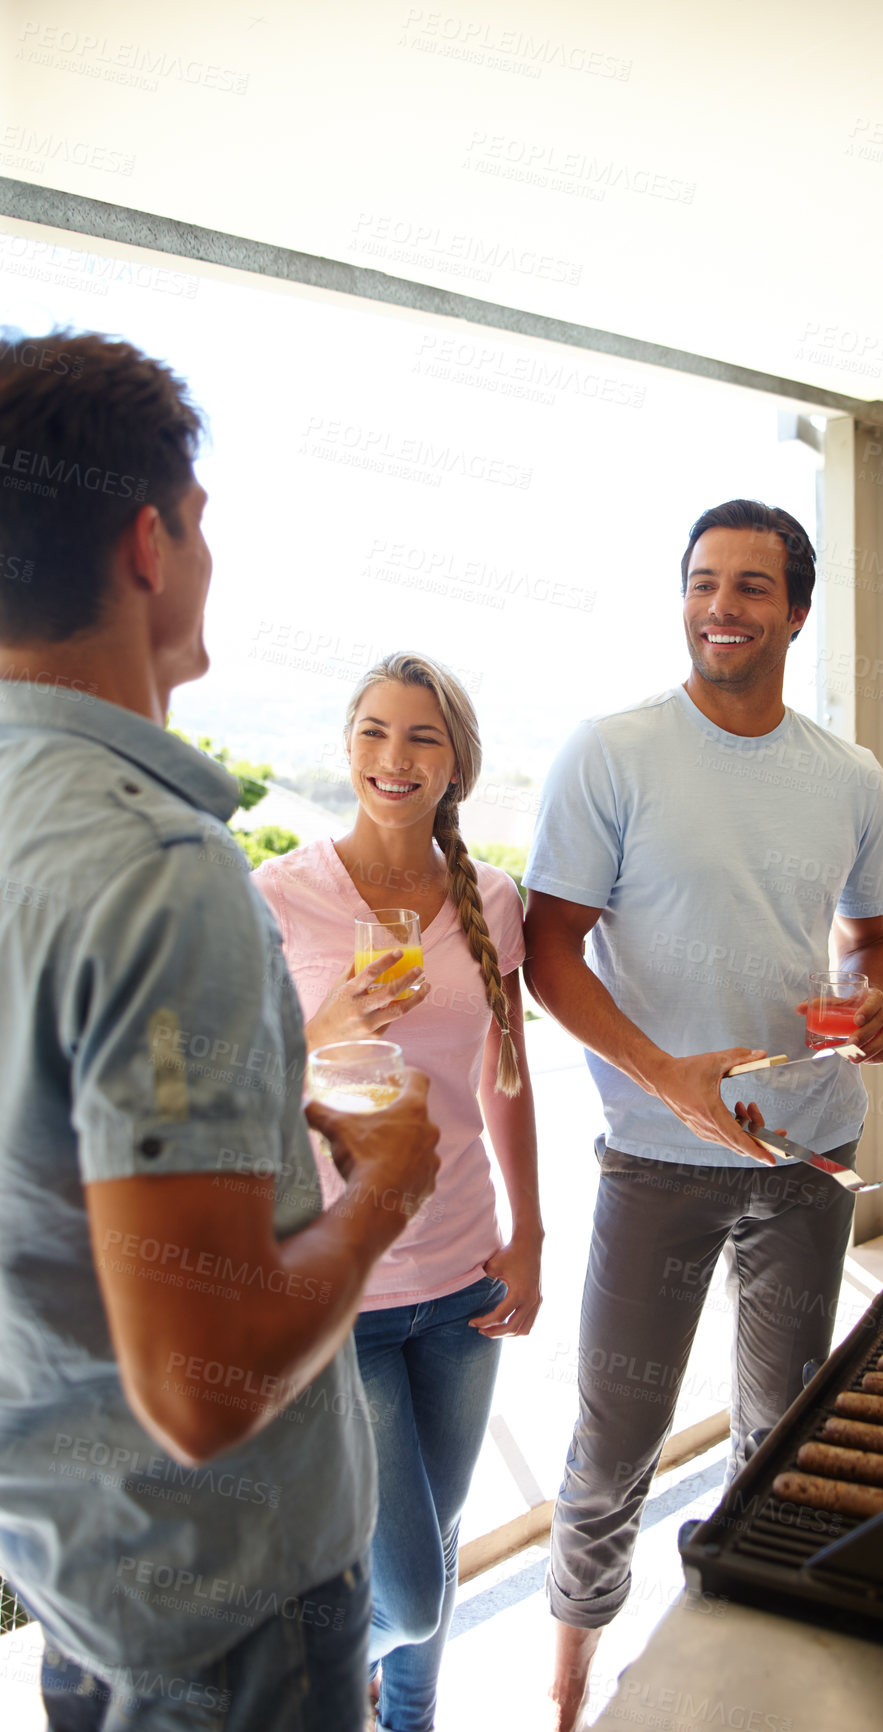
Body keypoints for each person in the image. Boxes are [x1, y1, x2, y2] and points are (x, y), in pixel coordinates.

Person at [0, 330, 440, 1731]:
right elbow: (200, 1390)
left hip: (78, 1572)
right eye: (201, 526)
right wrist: (383, 1200)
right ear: (152, 541)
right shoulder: (158, 869)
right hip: (230, 1620)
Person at [521, 498, 883, 1731]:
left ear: (796, 610)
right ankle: (569, 1687)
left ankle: (741, 1667)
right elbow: (548, 949)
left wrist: (875, 1003)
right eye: (700, 582)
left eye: (749, 587)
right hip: (654, 1155)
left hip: (808, 1145)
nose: (719, 607)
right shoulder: (611, 749)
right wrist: (662, 1072)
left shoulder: (848, 775)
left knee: (782, 1428)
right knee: (611, 1440)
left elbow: (871, 938)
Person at [253, 652, 543, 1732]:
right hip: (343, 1289)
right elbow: (217, 1091)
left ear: (455, 762)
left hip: (465, 1275)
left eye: (421, 736)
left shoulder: (492, 900)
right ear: (346, 745)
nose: (394, 756)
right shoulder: (280, 894)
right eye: (374, 731)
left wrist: (532, 1235)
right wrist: (321, 1034)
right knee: (408, 1586)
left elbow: (504, 1083)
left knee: (441, 1526)